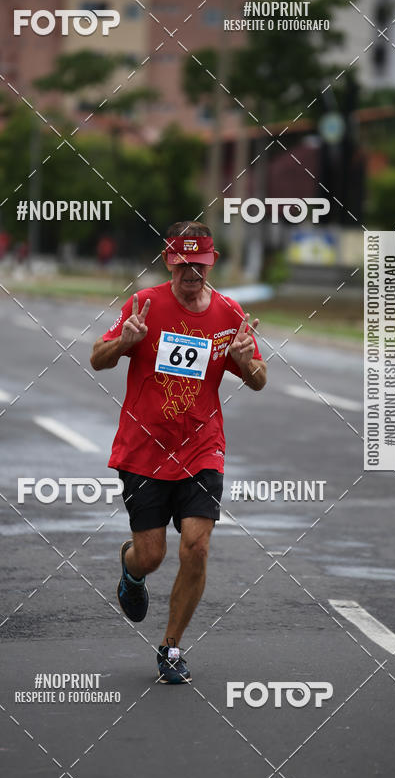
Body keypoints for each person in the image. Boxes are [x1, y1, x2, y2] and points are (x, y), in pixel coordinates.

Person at [90, 220, 267, 684]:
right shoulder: (144, 305)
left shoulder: (229, 313)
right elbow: (97, 357)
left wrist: (246, 362)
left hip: (202, 449)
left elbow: (259, 378)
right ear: (169, 261)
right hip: (144, 449)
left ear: (212, 263)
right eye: (184, 263)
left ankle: (171, 646)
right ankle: (132, 569)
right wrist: (124, 343)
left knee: (197, 546)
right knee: (152, 555)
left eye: (200, 264)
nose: (192, 272)